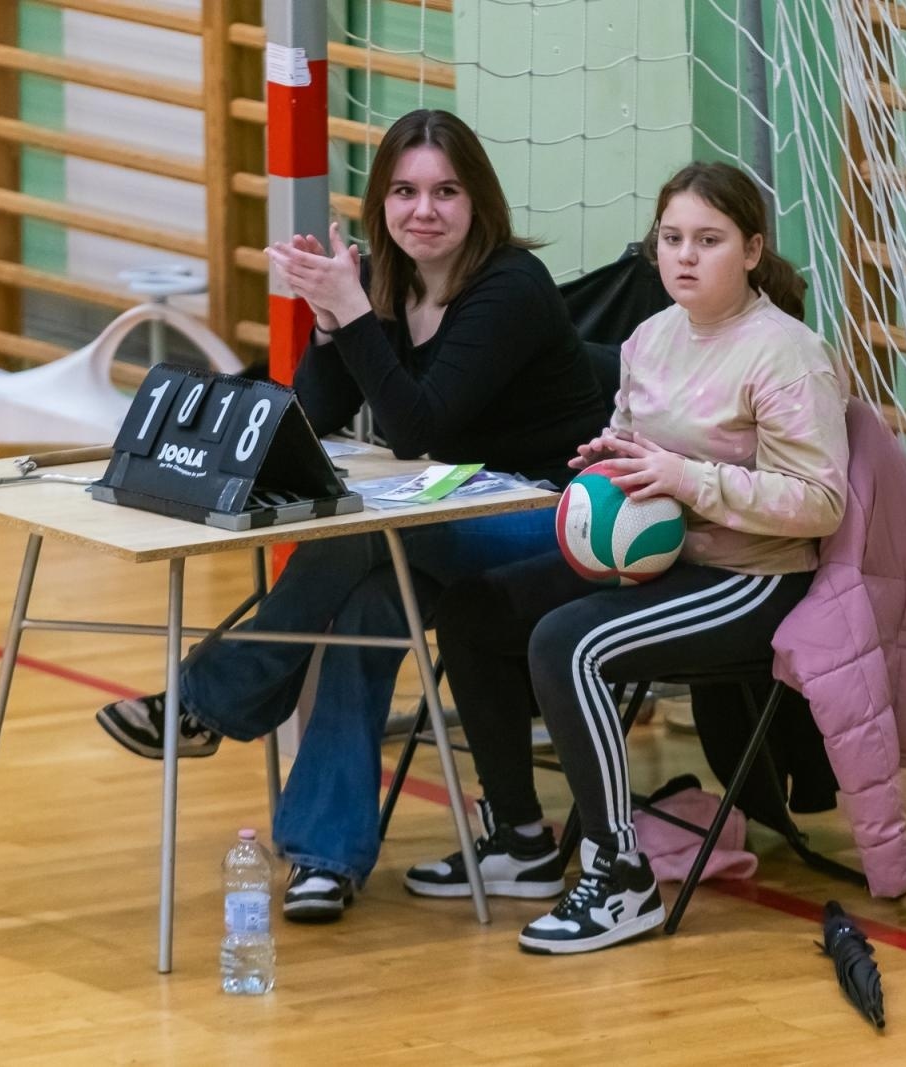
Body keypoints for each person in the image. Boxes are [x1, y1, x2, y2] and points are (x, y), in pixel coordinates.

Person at [95, 109, 606, 923]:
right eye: (404, 191)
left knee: (370, 532)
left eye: (445, 191)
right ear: (379, 201)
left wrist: (355, 313)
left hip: (555, 520)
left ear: (480, 202)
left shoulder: (511, 286)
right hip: (452, 518)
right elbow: (314, 411)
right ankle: (325, 862)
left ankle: (207, 697)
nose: (423, 210)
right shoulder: (385, 277)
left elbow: (419, 425)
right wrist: (334, 318)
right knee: (368, 603)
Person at [403, 160, 851, 954]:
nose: (684, 256)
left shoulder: (788, 354)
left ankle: (619, 876)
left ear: (751, 250)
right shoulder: (648, 337)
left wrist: (684, 477)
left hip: (751, 578)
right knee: (472, 609)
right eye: (672, 238)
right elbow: (636, 446)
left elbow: (820, 503)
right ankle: (519, 839)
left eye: (708, 240)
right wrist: (610, 465)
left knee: (568, 641)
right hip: (666, 559)